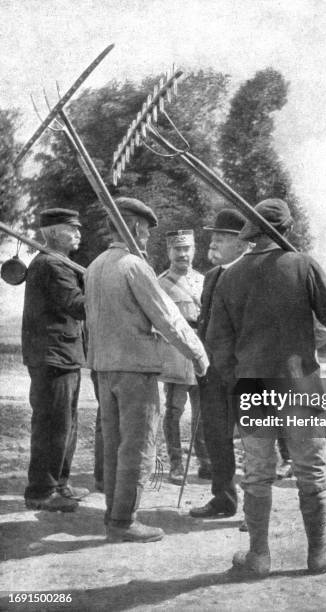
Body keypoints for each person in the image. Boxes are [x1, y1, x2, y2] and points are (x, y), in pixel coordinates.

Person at [207, 198, 326, 576]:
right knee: (310, 469)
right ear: (286, 229)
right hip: (298, 385)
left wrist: (236, 380)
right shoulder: (303, 265)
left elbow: (217, 344)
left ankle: (258, 556)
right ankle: (318, 554)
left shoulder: (228, 276)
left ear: (251, 233)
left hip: (251, 387)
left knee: (257, 473)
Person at [85, 197, 209, 542]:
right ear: (136, 227)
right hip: (135, 371)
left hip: (103, 369)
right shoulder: (135, 266)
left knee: (113, 444)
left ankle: (114, 516)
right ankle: (125, 522)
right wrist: (198, 355)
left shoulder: (95, 265)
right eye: (146, 231)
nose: (147, 238)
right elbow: (168, 317)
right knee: (138, 446)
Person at [22, 208, 89, 512]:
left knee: (66, 424)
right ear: (52, 233)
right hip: (53, 357)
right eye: (71, 228)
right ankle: (42, 490)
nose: (78, 233)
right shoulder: (52, 265)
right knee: (53, 425)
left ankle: (59, 484)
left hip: (61, 355)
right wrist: (106, 288)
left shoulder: (59, 263)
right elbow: (78, 306)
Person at [189, 209, 249, 519]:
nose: (213, 244)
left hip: (245, 374)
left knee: (254, 442)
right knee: (216, 437)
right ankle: (223, 499)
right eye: (213, 238)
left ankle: (255, 509)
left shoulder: (254, 273)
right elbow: (206, 321)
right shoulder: (212, 276)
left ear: (242, 244)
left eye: (222, 239)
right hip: (214, 374)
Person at [158, 230, 211, 484]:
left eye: (187, 249)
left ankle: (205, 460)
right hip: (177, 353)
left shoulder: (204, 281)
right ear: (169, 251)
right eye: (177, 249)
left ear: (194, 250)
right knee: (174, 411)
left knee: (202, 410)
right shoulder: (161, 283)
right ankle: (176, 463)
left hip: (202, 351)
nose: (183, 254)